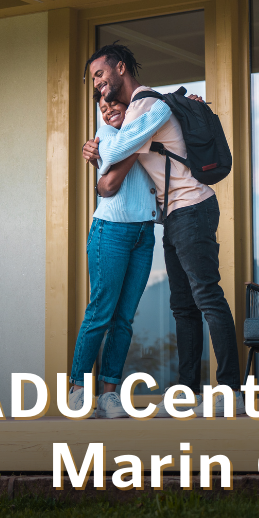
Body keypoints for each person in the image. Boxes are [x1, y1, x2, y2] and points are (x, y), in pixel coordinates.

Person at [83, 43, 245, 415]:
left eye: (100, 74)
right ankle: (188, 393)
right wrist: (104, 141)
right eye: (93, 79)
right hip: (173, 215)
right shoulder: (135, 111)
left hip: (192, 207)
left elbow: (114, 153)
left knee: (207, 298)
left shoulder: (148, 106)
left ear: (120, 68)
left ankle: (231, 391)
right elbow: (110, 174)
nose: (97, 84)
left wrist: (99, 147)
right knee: (183, 307)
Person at [66, 91, 158, 418]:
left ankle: (108, 393)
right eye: (102, 108)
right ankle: (78, 388)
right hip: (111, 230)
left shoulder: (145, 126)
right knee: (101, 311)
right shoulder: (107, 135)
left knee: (124, 318)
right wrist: (140, 144)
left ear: (129, 104)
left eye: (112, 105)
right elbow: (108, 187)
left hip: (144, 232)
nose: (107, 112)